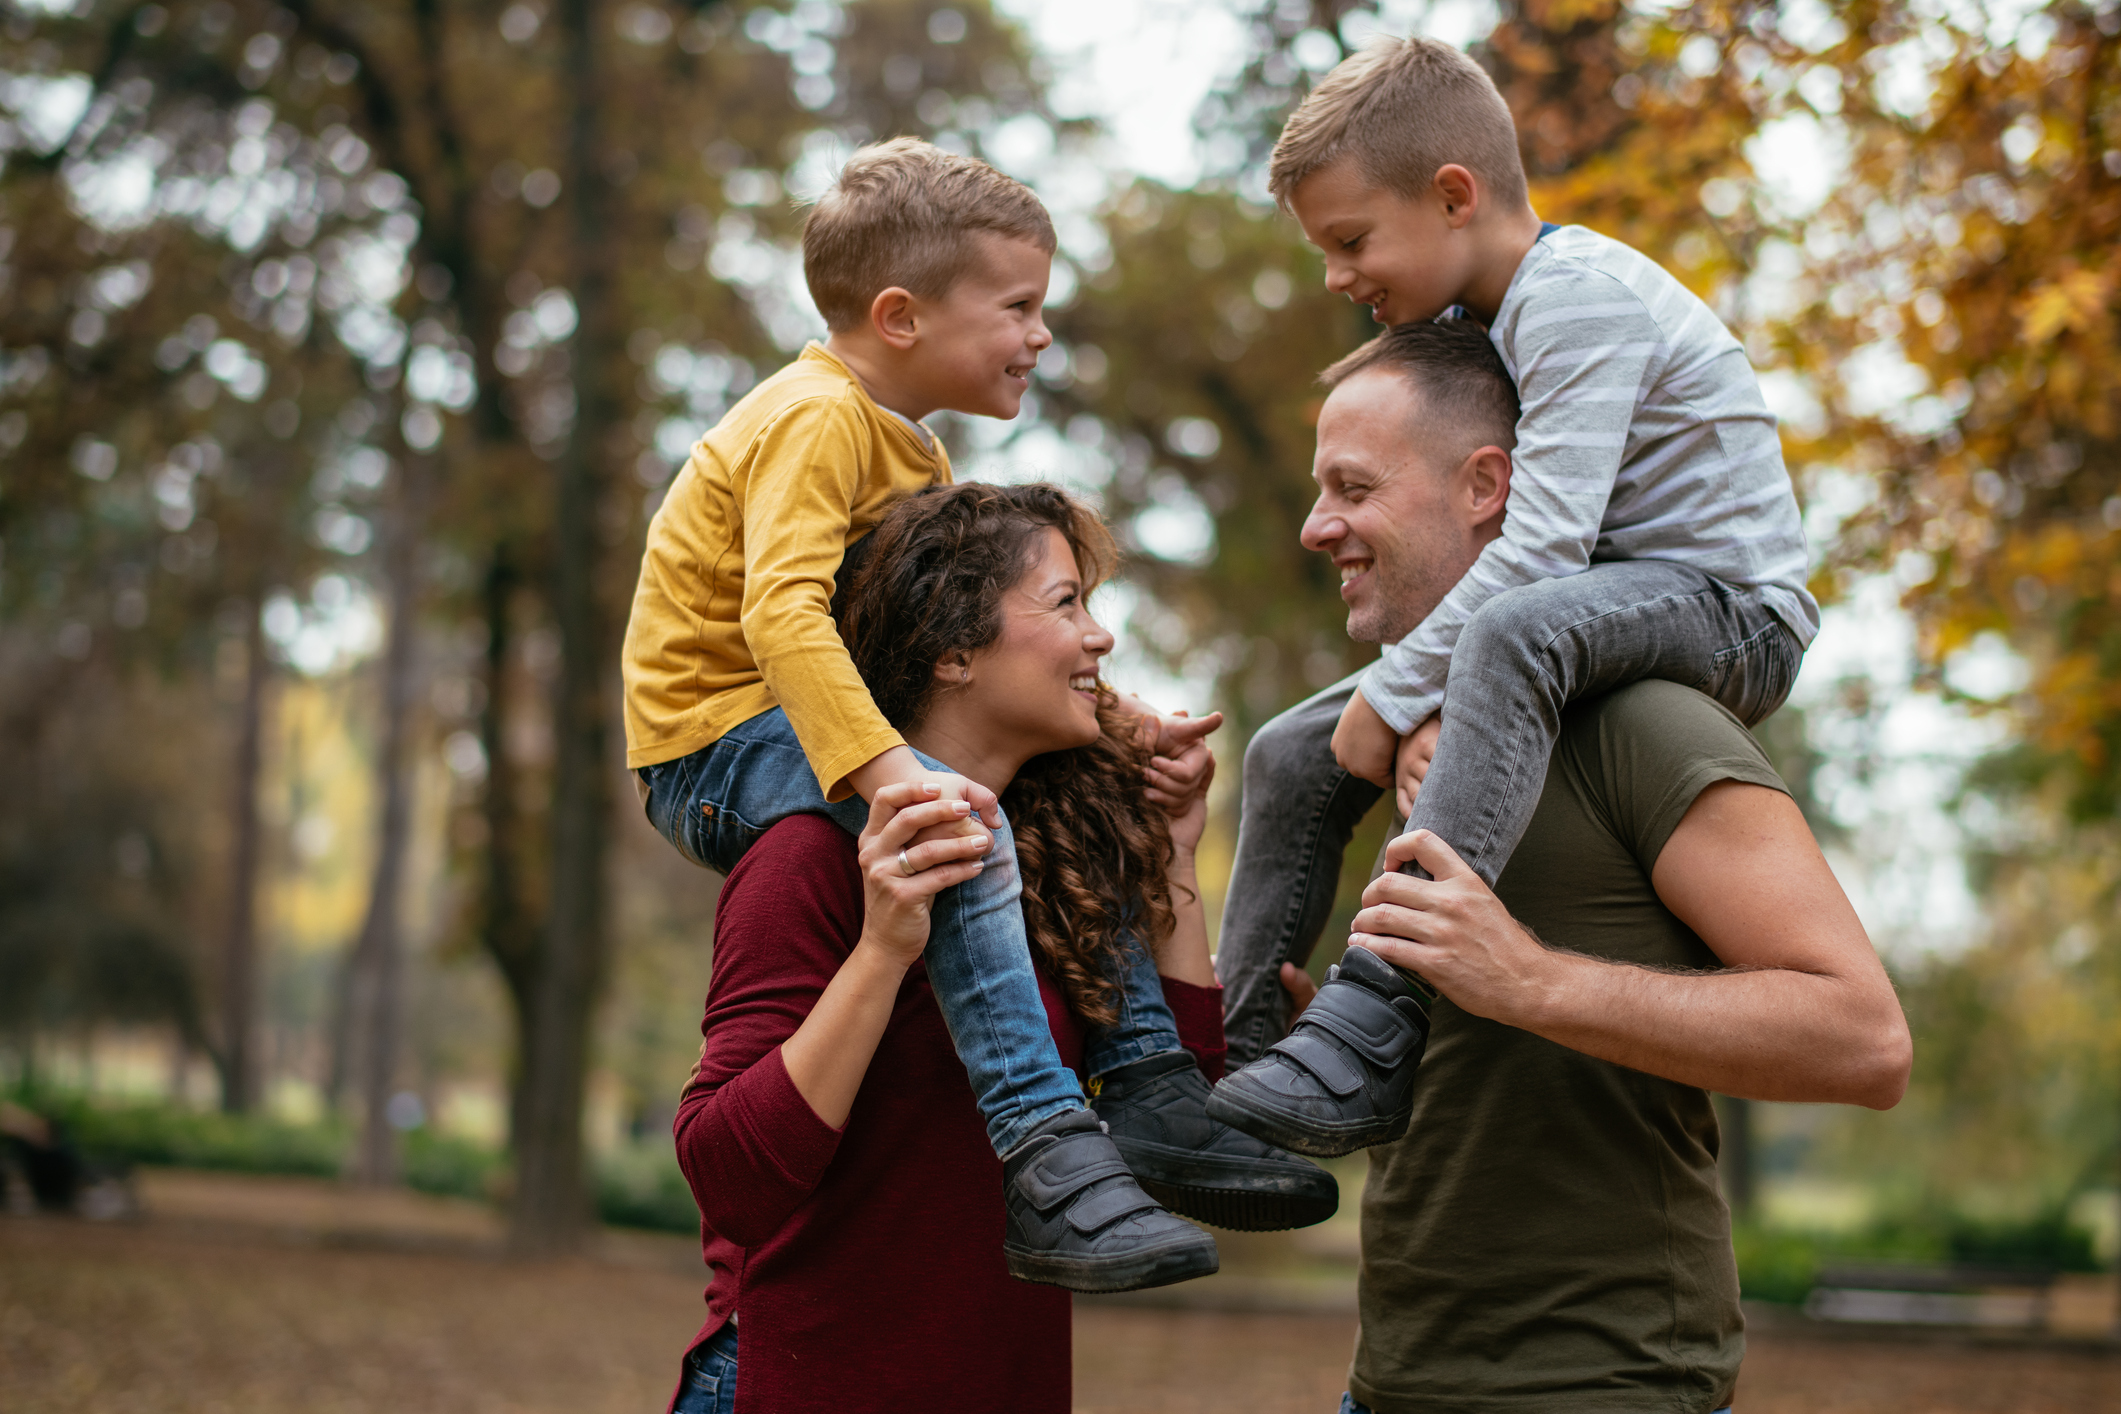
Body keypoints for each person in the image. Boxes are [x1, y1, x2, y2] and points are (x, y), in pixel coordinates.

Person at [622, 139, 1320, 1290]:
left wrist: (1121, 719)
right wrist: (897, 777)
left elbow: (954, 629)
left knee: (1064, 785)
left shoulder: (915, 447)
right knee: (964, 819)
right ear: (900, 315)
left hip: (796, 720)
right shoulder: (817, 418)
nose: (1041, 334)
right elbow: (783, 617)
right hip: (715, 743)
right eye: (1018, 306)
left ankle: (1149, 1084)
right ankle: (1044, 1138)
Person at [1240, 332, 1912, 1411]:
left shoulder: (1642, 721)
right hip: (1392, 1382)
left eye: (1352, 487)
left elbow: (1864, 1038)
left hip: (1609, 1384)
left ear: (1485, 486)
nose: (1317, 525)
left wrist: (1531, 980)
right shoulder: (1405, 736)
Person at [1209, 37, 1825, 1157]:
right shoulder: (1469, 325)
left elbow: (1541, 551)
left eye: (1350, 241)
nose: (1337, 277)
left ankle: (1378, 1004)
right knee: (1290, 751)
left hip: (1730, 611)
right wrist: (1399, 705)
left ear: (1454, 196)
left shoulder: (1576, 300)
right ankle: (1239, 1066)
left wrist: (1399, 695)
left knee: (1494, 634)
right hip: (1592, 605)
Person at [666, 483, 1322, 1413]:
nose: (1099, 637)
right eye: (1066, 604)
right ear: (952, 651)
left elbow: (1171, 1120)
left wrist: (1172, 846)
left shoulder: (1052, 853)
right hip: (811, 1383)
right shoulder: (811, 855)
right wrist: (883, 950)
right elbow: (727, 1174)